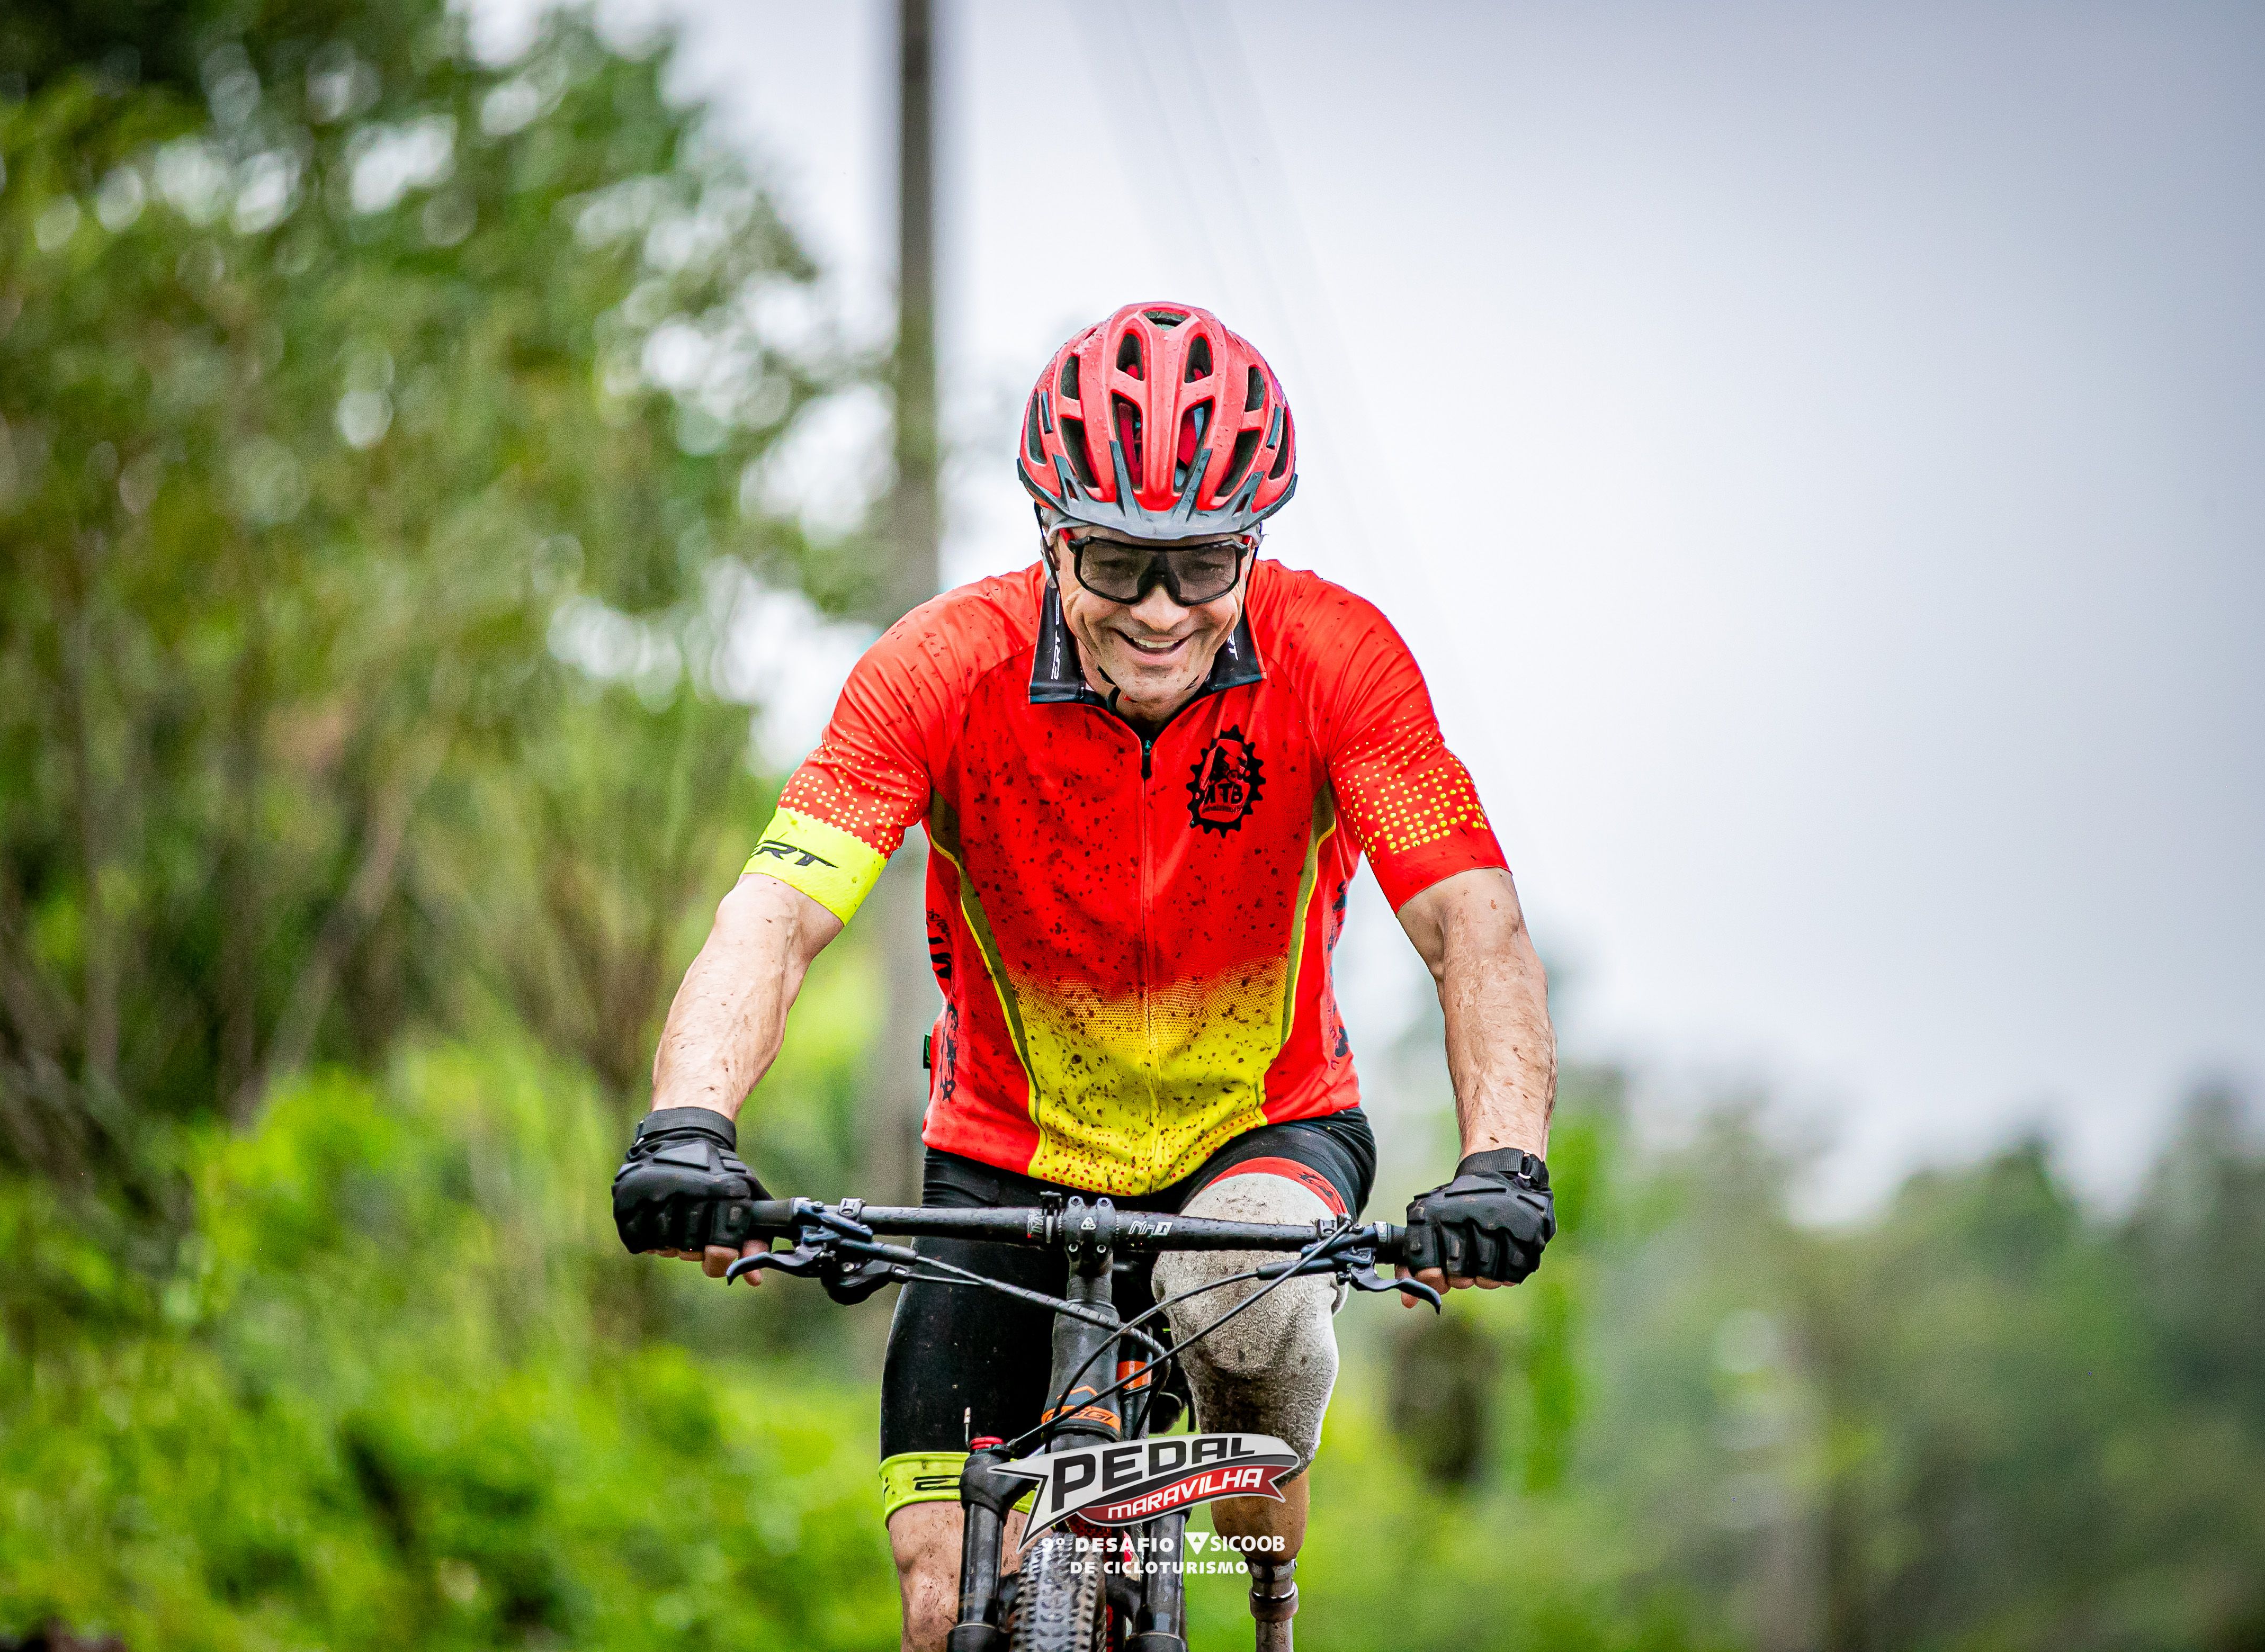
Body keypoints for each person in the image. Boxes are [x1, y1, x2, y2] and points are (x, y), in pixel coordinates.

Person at [611, 301, 1557, 1651]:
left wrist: (1504, 1159)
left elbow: (1474, 924)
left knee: (1247, 1323)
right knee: (937, 1598)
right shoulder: (941, 668)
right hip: (1003, 1154)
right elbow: (777, 914)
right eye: (1118, 563)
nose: (1161, 612)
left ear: (1254, 544)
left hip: (1260, 1132)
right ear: (1051, 533)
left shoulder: (1338, 660)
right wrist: (688, 1126)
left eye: (1204, 563)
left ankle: (1268, 1599)